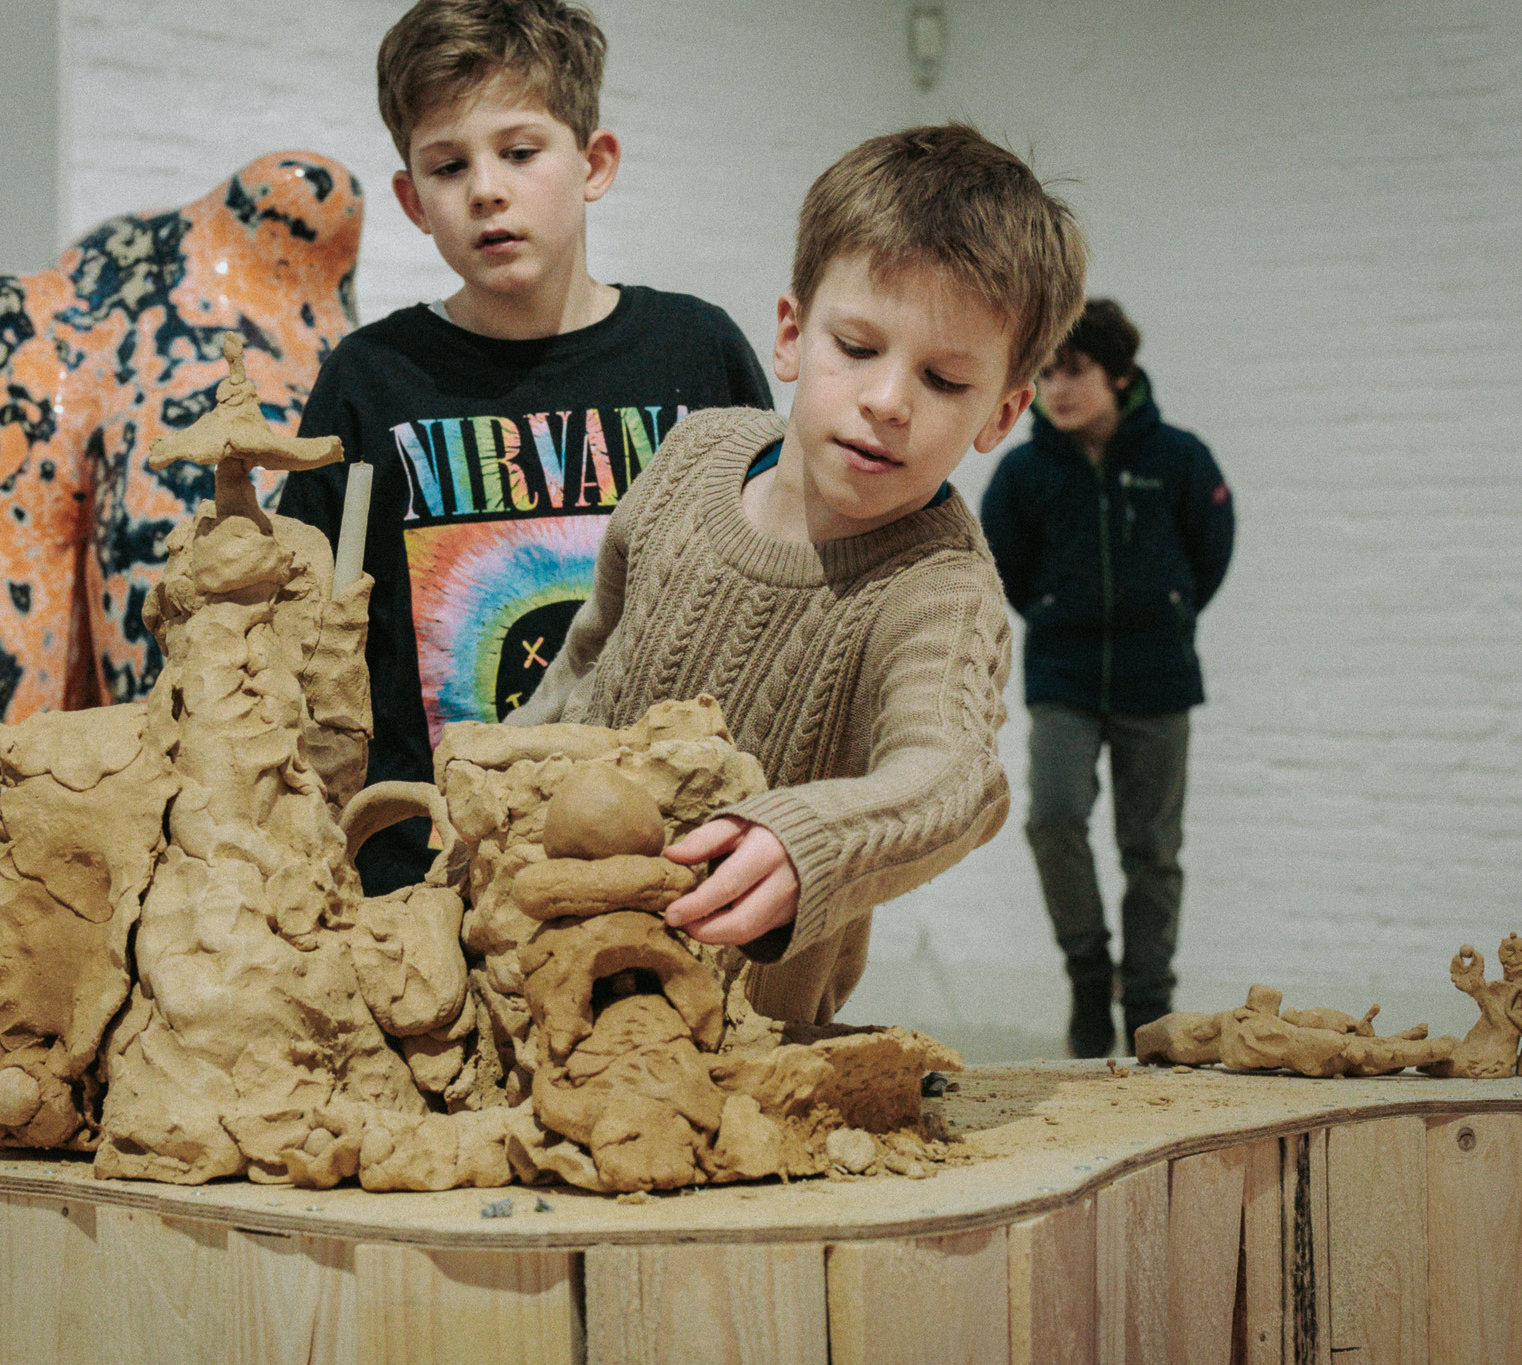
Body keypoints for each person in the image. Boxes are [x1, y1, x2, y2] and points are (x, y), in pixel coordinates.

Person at [510, 124, 1088, 1024]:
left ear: (1002, 414)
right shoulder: (694, 454)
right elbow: (585, 658)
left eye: (943, 380)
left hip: (733, 1035)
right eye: (856, 347)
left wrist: (806, 838)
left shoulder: (938, 592)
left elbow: (954, 776)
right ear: (791, 334)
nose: (888, 401)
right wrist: (489, 783)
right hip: (532, 967)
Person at [278, 0, 773, 894]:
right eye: (448, 165)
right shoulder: (369, 381)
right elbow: (301, 639)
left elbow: (766, 605)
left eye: (519, 151)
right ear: (412, 200)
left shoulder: (698, 355)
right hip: (426, 885)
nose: (486, 190)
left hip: (668, 868)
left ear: (595, 163)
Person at [977, 299, 1235, 1057]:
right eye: (1047, 373)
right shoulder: (1023, 472)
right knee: (1053, 818)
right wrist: (1056, 610)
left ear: (1119, 375)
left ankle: (1149, 1001)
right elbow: (1004, 563)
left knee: (1152, 849)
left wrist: (1169, 608)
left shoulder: (1179, 458)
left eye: (1075, 371)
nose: (1057, 389)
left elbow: (1211, 549)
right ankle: (1090, 973)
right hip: (1064, 676)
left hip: (1160, 679)